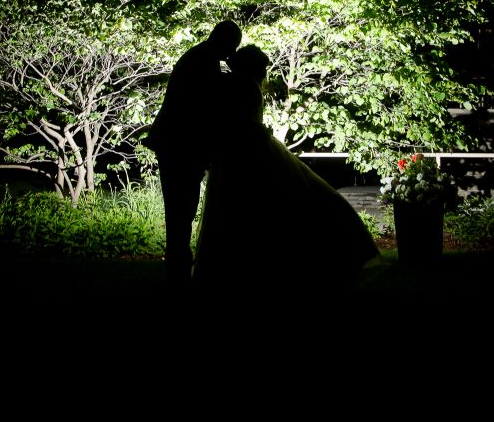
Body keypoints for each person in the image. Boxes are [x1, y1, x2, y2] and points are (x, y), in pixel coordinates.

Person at [192, 44, 381, 294]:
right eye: (262, 68)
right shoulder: (246, 86)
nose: (264, 73)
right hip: (254, 150)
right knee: (298, 199)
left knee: (237, 212)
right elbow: (244, 123)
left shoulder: (232, 84)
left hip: (240, 153)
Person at [143, 20, 243, 286]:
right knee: (181, 209)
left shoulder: (201, 58)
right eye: (232, 46)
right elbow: (204, 110)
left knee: (181, 210)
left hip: (176, 145)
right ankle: (177, 272)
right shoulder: (203, 62)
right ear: (223, 41)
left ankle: (178, 270)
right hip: (179, 147)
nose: (232, 53)